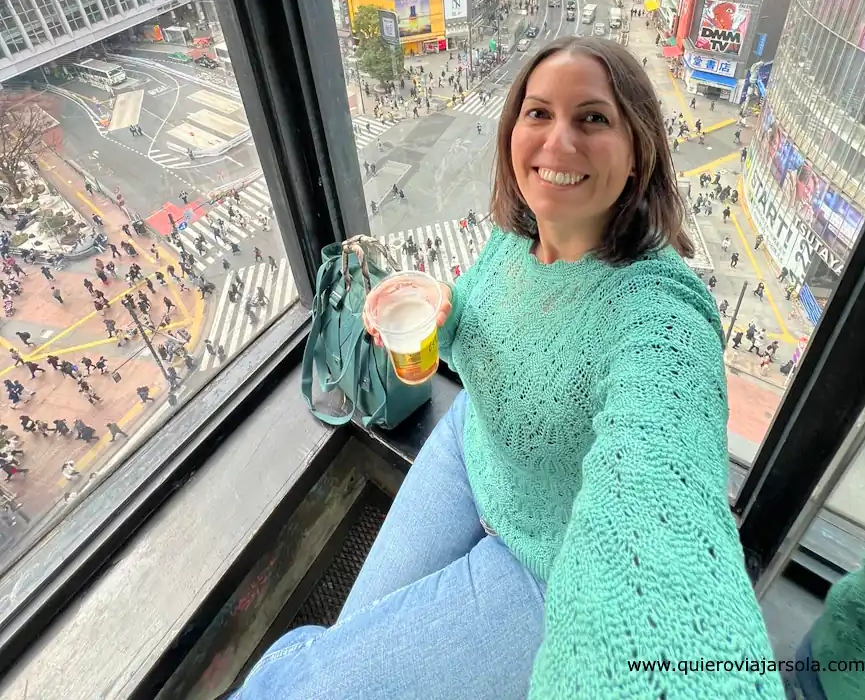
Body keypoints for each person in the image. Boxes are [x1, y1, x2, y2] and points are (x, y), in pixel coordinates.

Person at [233, 36, 780, 700]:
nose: (558, 141)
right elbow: (487, 328)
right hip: (473, 449)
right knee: (341, 653)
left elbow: (665, 501)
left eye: (592, 118)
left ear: (637, 151)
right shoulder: (516, 234)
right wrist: (446, 312)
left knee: (299, 688)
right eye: (538, 113)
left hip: (545, 566)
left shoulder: (658, 317)